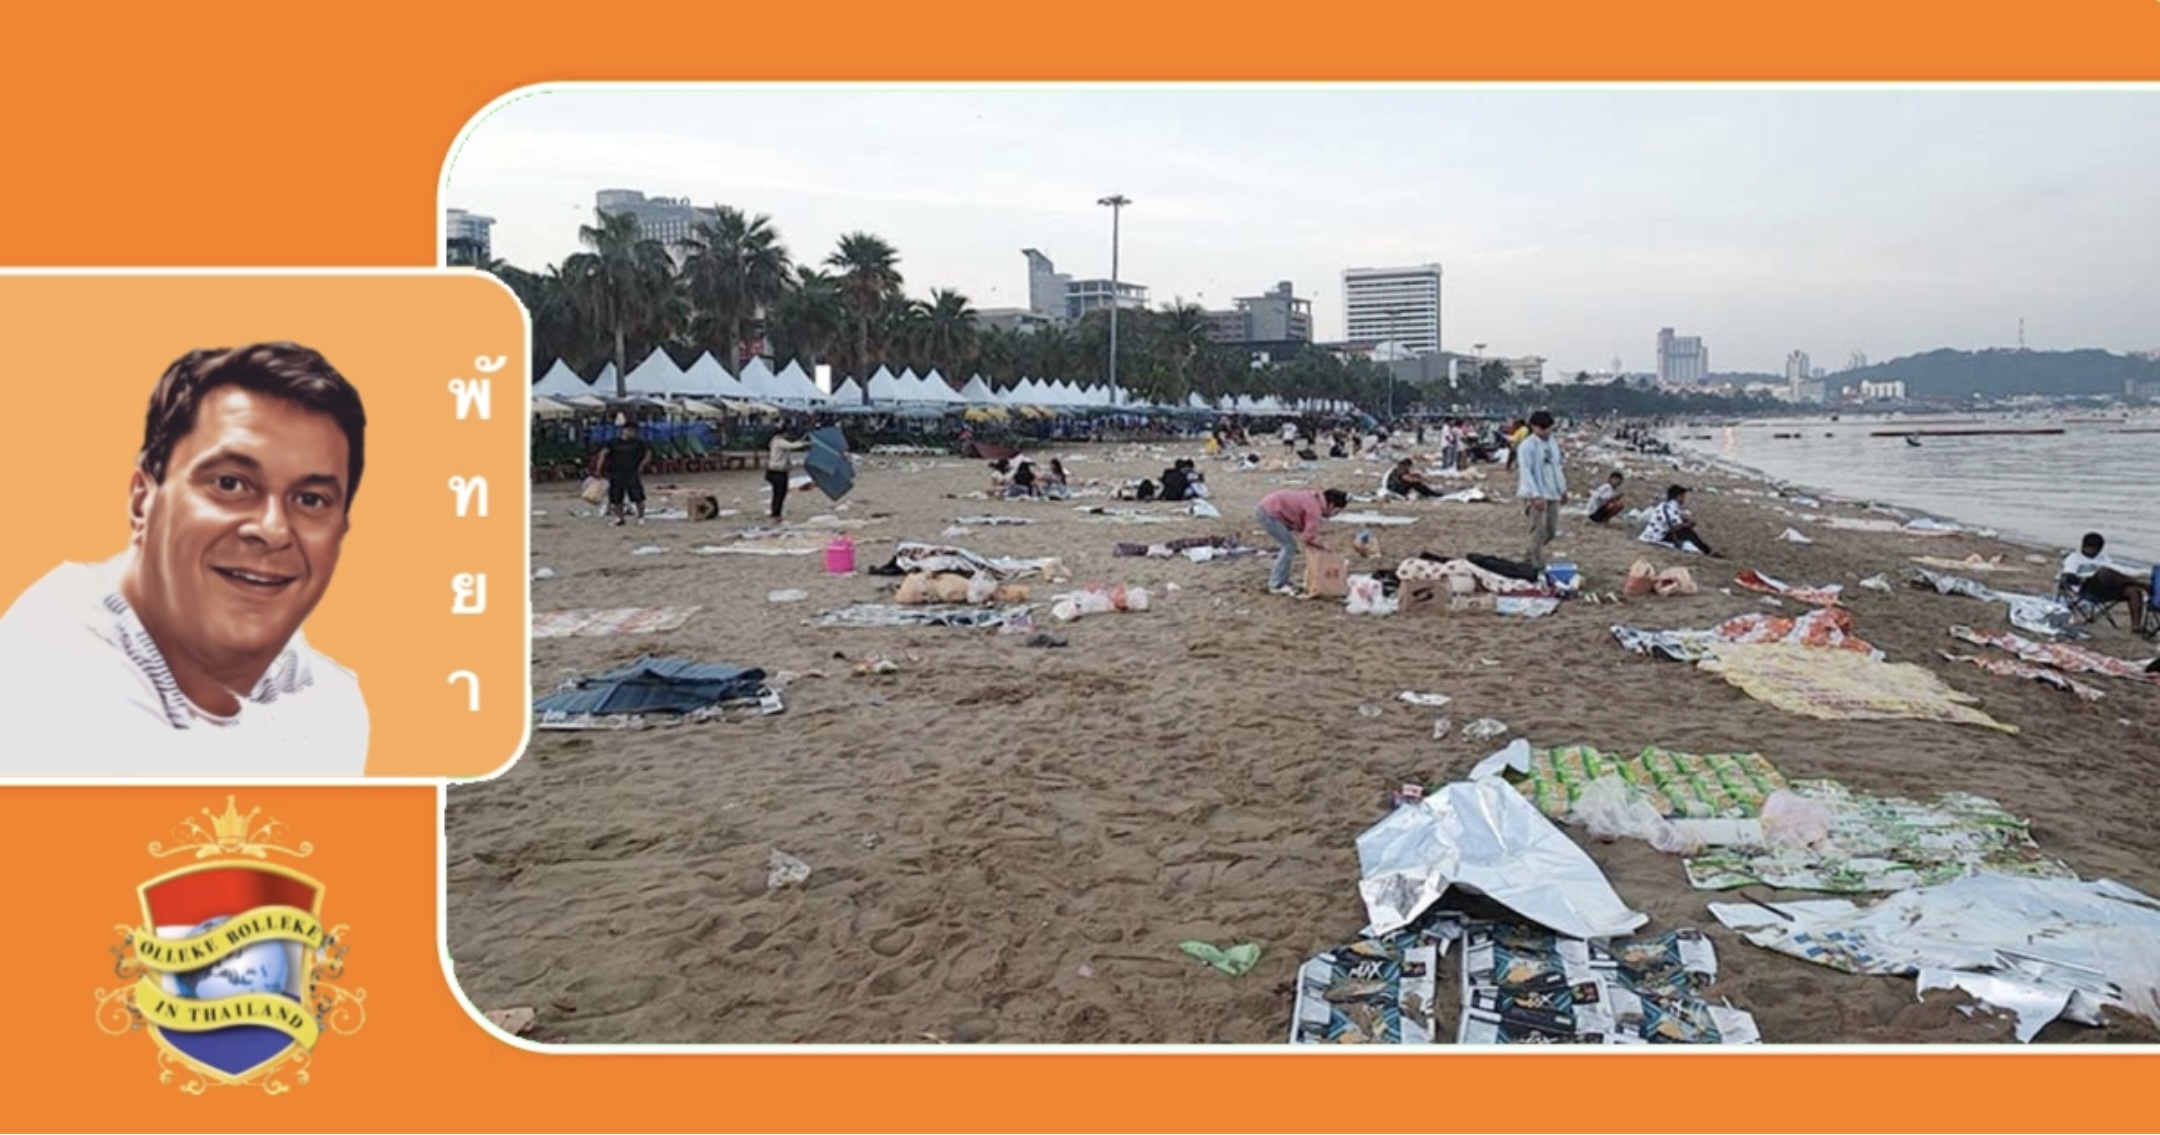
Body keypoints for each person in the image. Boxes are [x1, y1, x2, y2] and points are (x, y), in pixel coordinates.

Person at [0, 342, 369, 776]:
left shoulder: (328, 698)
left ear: (340, 532)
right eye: (230, 484)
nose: (272, 530)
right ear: (143, 502)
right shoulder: (51, 665)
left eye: (310, 499)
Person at [1256, 488, 1348, 596]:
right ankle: (1276, 583)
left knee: (1289, 546)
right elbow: (1308, 537)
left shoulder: (1314, 499)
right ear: (1332, 505)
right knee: (1289, 547)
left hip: (1269, 508)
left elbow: (1306, 531)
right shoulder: (1314, 509)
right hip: (1269, 512)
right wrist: (1323, 546)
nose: (1333, 515)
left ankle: (1281, 580)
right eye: (1336, 511)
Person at [2062, 532, 2152, 634]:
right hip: (2087, 588)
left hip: (2107, 588)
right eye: (2091, 548)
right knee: (2104, 572)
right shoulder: (2074, 558)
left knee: (2133, 591)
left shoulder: (2103, 558)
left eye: (2097, 549)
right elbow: (2068, 578)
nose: (2094, 551)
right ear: (2084, 546)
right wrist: (2083, 579)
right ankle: (2141, 584)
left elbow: (2115, 574)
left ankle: (2136, 626)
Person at [1515, 410, 1567, 568]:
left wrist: (1562, 489)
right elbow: (1526, 471)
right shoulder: (1527, 446)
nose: (1545, 431)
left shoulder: (1552, 443)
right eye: (1542, 428)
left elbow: (1557, 467)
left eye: (1548, 428)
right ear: (1534, 427)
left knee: (1550, 531)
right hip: (1535, 492)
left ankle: (1529, 555)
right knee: (1538, 530)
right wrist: (1535, 495)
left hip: (1552, 492)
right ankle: (1535, 563)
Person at [1640, 484, 1720, 557]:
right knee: (1687, 532)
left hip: (1651, 534)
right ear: (1678, 497)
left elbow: (1674, 519)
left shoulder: (1664, 505)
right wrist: (1687, 524)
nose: (1684, 499)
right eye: (1683, 496)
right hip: (1658, 536)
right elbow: (1675, 527)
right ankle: (1707, 551)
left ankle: (1705, 549)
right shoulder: (1672, 507)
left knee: (1686, 530)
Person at [595, 422, 650, 525]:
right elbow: (603, 453)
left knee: (637, 496)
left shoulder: (638, 443)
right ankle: (619, 518)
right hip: (615, 472)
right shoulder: (613, 442)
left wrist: (641, 465)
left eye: (634, 431)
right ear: (623, 431)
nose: (631, 433)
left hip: (632, 472)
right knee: (616, 497)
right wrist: (598, 468)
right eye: (629, 430)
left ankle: (641, 517)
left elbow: (648, 454)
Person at [766, 430, 811, 520]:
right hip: (778, 471)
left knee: (778, 493)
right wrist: (806, 443)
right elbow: (792, 446)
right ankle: (776, 512)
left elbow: (791, 445)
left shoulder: (775, 441)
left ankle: (776, 511)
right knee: (779, 493)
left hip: (775, 471)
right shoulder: (779, 441)